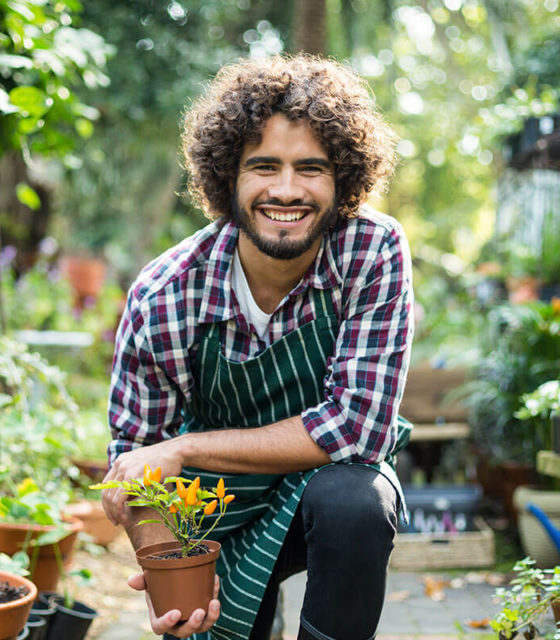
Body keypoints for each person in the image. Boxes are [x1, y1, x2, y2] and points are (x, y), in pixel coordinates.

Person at [101, 54, 414, 640]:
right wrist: (165, 560)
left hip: (322, 492)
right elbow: (138, 455)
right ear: (229, 177)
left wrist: (187, 445)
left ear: (343, 180)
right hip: (213, 509)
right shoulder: (166, 294)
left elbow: (358, 428)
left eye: (311, 169)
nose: (287, 190)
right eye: (264, 166)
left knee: (357, 502)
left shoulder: (370, 252)